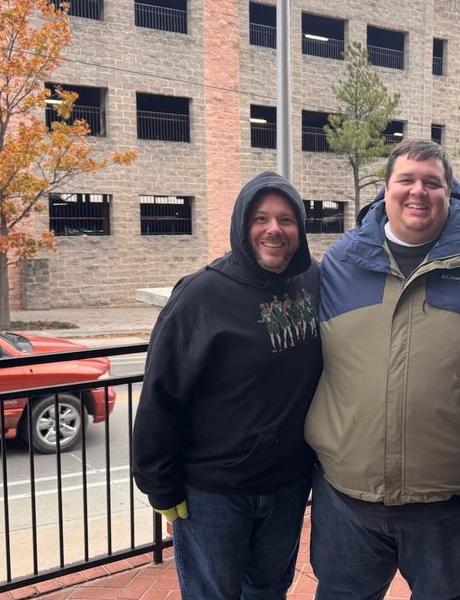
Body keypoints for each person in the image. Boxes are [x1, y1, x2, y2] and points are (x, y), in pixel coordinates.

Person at [305, 139, 460, 600]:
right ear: (385, 190)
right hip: (347, 499)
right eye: (406, 180)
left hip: (453, 504)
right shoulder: (340, 262)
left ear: (450, 194)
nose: (419, 191)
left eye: (433, 182)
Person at [132, 171, 322, 599]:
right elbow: (162, 393)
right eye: (260, 218)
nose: (274, 229)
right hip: (212, 492)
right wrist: (158, 483)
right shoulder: (201, 295)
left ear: (300, 229)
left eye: (286, 220)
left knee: (270, 591)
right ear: (241, 225)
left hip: (288, 483)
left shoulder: (313, 281)